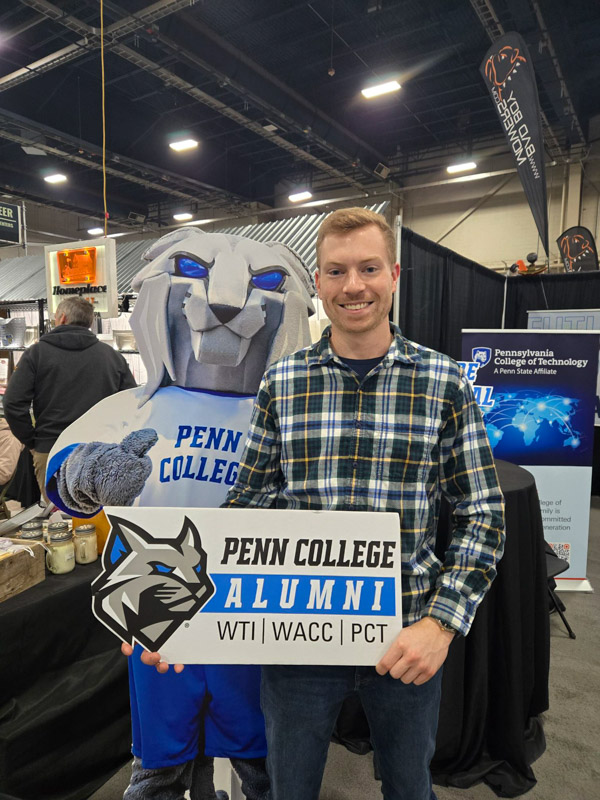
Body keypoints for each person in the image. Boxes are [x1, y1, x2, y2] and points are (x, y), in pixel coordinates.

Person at [219, 207, 506, 800]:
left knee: (409, 787)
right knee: (289, 788)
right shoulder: (282, 383)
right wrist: (176, 620)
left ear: (394, 275)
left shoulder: (443, 383)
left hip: (405, 636)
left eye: (369, 268)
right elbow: (246, 504)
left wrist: (441, 624)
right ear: (318, 283)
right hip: (296, 632)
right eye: (337, 271)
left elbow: (482, 514)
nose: (354, 285)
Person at [45, 228, 316, 800]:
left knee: (259, 746)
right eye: (192, 271)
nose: (225, 303)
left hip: (253, 603)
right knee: (162, 751)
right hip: (153, 602)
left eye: (267, 283)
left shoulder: (287, 413)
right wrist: (90, 472)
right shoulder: (137, 404)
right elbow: (64, 478)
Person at [3, 296, 136, 501]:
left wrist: (32, 441)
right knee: (99, 513)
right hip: (100, 450)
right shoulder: (112, 356)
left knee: (60, 515)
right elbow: (131, 404)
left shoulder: (36, 354)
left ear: (62, 318)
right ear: (90, 321)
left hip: (52, 449)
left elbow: (12, 403)